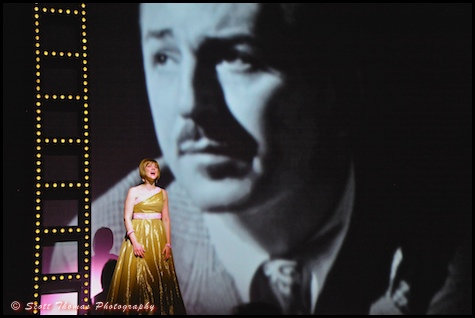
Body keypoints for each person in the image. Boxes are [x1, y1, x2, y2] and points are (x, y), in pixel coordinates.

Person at [54, 3, 471, 315]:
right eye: (164, 57)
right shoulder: (92, 256)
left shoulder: (446, 243)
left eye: (237, 57)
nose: (189, 103)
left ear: (338, 84)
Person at [102, 158, 186, 315]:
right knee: (138, 278)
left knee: (159, 279)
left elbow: (166, 219)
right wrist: (134, 242)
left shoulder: (163, 193)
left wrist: (168, 244)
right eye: (149, 166)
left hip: (158, 238)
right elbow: (127, 217)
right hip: (138, 236)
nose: (153, 168)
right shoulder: (134, 191)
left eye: (156, 166)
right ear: (143, 171)